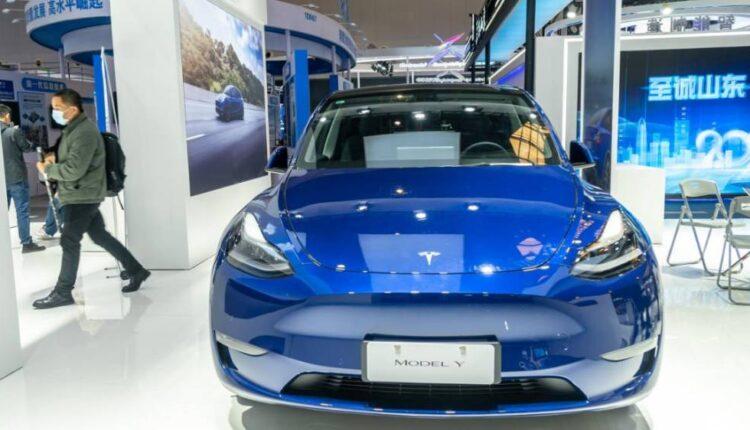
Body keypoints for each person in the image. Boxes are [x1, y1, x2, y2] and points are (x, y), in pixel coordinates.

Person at [33, 89, 150, 310]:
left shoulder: (84, 133)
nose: (54, 112)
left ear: (72, 110)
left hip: (82, 196)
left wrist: (48, 169)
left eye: (57, 108)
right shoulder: (73, 130)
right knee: (99, 236)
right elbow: (72, 160)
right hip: (81, 194)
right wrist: (53, 159)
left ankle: (63, 292)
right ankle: (136, 270)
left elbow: (74, 169)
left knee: (69, 241)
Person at [1, 104, 46, 254]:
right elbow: (27, 147)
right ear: (7, 115)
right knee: (22, 211)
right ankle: (26, 243)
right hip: (17, 178)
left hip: (2, 180)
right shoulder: (13, 131)